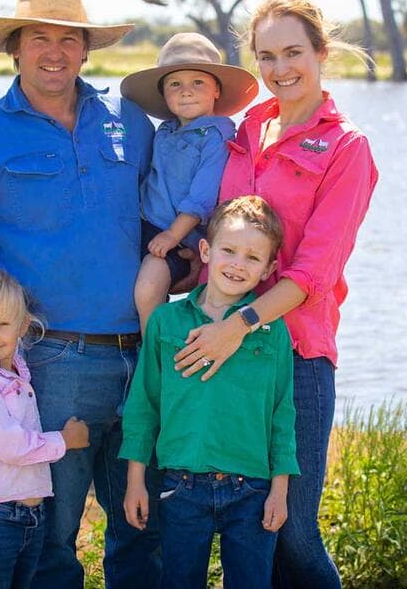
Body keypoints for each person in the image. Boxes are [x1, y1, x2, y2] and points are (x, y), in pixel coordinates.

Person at [0, 0, 160, 588]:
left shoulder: (129, 122)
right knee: (52, 537)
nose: (55, 52)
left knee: (143, 530)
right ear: (15, 51)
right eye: (39, 39)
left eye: (68, 39)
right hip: (50, 363)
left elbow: (171, 221)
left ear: (85, 50)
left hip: (147, 356)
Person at [172, 0, 379, 589]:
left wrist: (234, 328)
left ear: (321, 52)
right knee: (243, 524)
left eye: (293, 52)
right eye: (267, 56)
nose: (281, 68)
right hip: (222, 352)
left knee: (292, 530)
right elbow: (214, 222)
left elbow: (312, 275)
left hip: (294, 357)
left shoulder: (347, 148)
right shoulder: (246, 128)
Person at [119, 195, 299, 589]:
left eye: (253, 258)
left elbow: (282, 413)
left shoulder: (272, 330)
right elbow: (144, 405)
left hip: (252, 489)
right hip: (180, 486)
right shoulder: (167, 322)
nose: (237, 264)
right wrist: (135, 481)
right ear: (206, 250)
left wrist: (279, 490)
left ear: (270, 268)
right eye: (229, 251)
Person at [0, 270, 91, 589]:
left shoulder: (15, 372)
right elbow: (9, 446)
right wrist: (64, 441)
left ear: (23, 326)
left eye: (2, 324)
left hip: (30, 517)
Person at [120, 32, 258, 333]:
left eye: (198, 82)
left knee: (148, 287)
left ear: (216, 91)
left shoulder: (216, 136)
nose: (186, 92)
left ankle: (149, 349)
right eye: (175, 84)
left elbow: (202, 197)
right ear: (164, 95)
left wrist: (172, 235)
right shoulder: (164, 132)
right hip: (145, 226)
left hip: (179, 236)